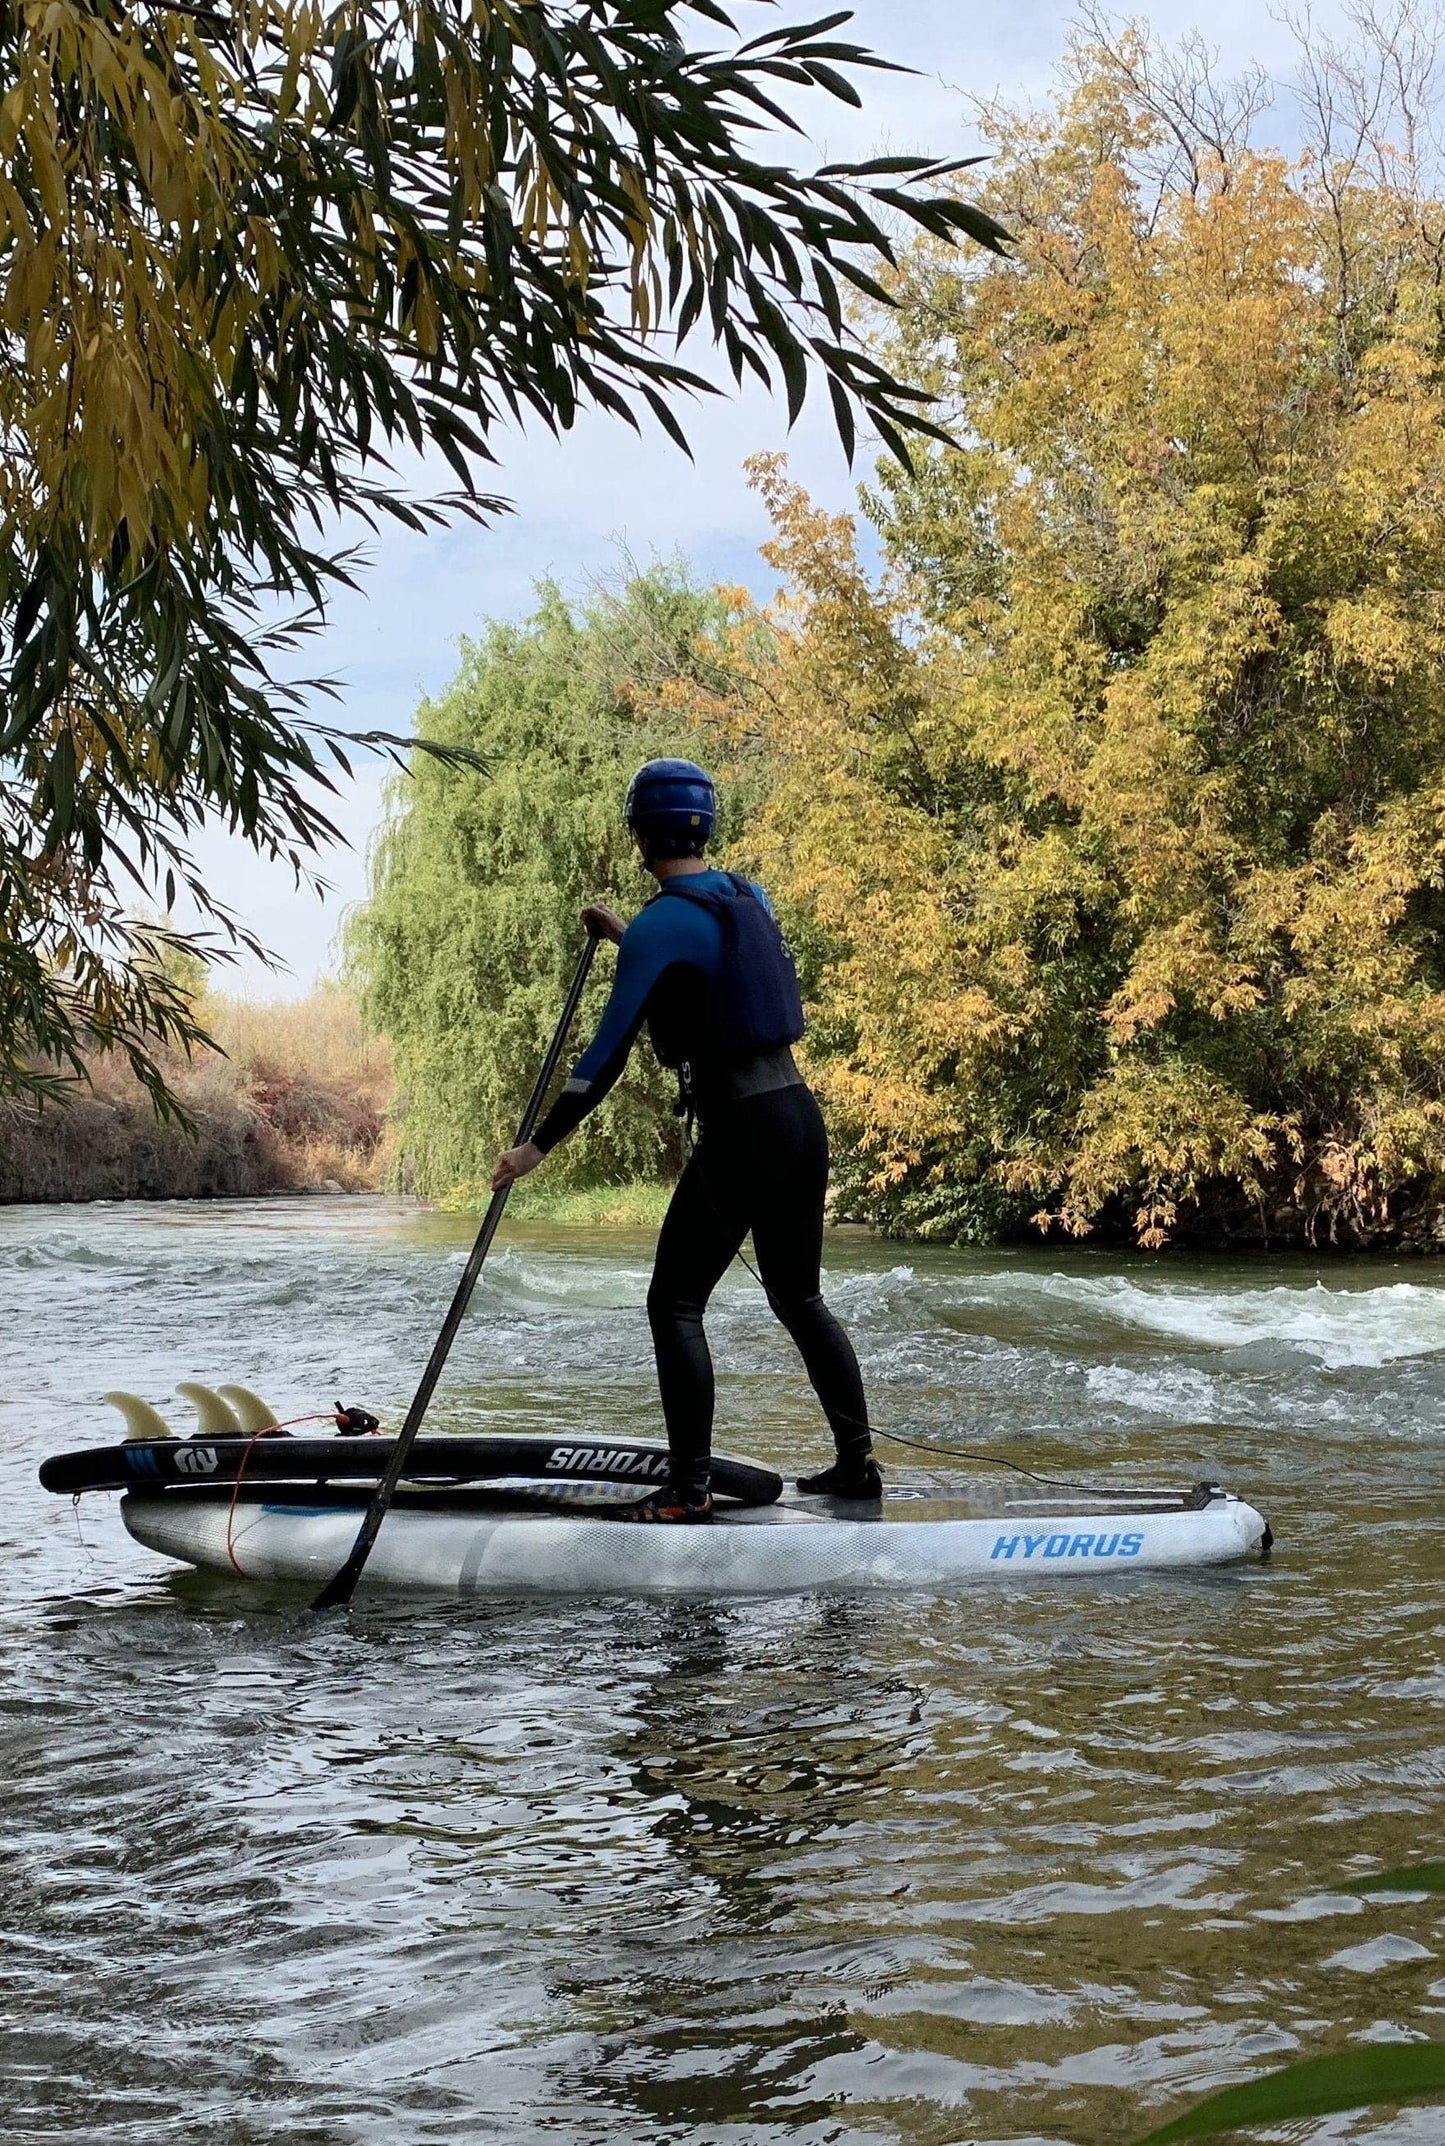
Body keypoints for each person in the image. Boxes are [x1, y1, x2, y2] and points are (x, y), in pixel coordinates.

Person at [491, 758, 882, 1522]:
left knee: (673, 1303)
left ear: (639, 833)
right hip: (797, 1116)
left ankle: (687, 1490)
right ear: (706, 826)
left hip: (741, 1129)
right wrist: (627, 936)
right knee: (800, 1298)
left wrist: (537, 1147)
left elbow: (604, 1055)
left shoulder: (660, 926)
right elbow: (711, 969)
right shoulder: (747, 895)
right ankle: (856, 1467)